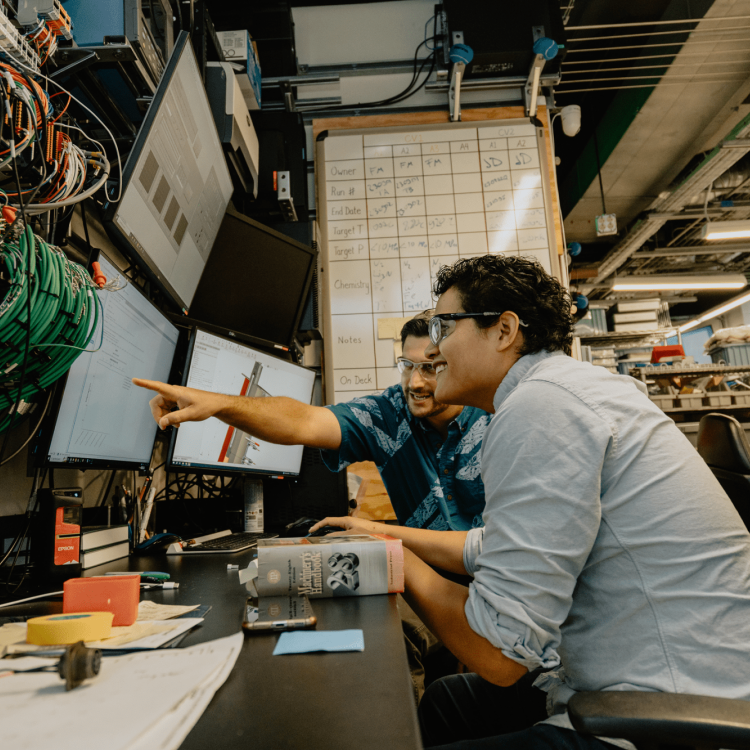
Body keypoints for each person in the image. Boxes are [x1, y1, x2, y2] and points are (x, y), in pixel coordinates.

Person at [311, 254, 750, 750]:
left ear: (503, 330)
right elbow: (502, 544)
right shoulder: (562, 390)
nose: (434, 348)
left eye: (444, 327)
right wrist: (384, 532)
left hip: (664, 711)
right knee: (446, 702)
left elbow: (499, 656)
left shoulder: (541, 408)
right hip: (670, 679)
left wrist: (392, 561)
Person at [133, 313, 489, 532]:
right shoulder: (390, 413)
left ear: (453, 364)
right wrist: (218, 404)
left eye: (428, 367)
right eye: (407, 366)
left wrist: (376, 532)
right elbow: (304, 420)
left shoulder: (494, 418)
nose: (414, 383)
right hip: (431, 576)